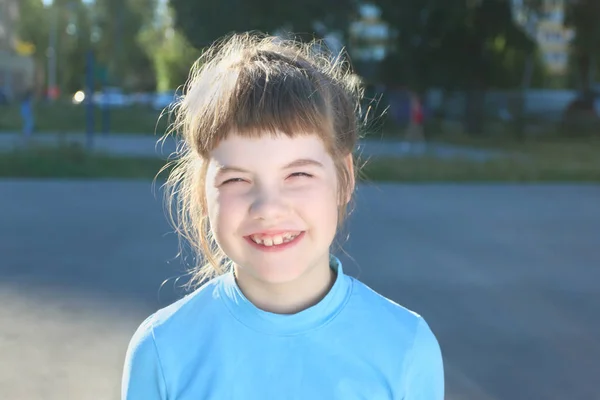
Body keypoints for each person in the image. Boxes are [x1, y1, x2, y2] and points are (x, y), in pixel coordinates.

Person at [121, 32, 444, 400]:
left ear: (344, 178)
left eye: (298, 174)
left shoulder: (405, 347)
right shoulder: (163, 351)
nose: (269, 207)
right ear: (201, 192)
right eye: (237, 178)